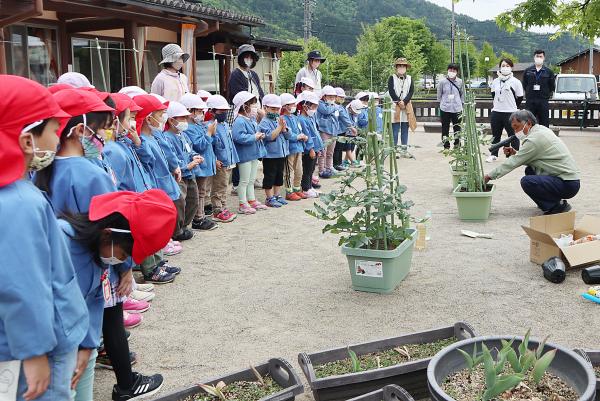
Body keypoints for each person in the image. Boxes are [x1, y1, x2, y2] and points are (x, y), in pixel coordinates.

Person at [0, 74, 88, 401]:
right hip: (42, 344)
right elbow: (22, 284)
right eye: (53, 130)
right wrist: (34, 352)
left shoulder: (15, 192)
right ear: (26, 141)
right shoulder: (19, 202)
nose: (57, 138)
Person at [60, 189, 176, 401]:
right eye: (124, 255)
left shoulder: (99, 257)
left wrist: (87, 345)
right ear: (107, 234)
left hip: (77, 348)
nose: (121, 260)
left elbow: (96, 304)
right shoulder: (58, 241)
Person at [485, 110, 580, 215]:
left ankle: (557, 206)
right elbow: (533, 158)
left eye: (517, 127)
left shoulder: (534, 140)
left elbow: (512, 163)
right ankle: (548, 202)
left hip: (567, 184)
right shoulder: (541, 130)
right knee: (530, 170)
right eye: (513, 128)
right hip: (568, 180)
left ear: (529, 123)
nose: (516, 131)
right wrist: (515, 153)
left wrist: (488, 176)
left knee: (527, 181)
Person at [132, 94, 181, 284]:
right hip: (152, 188)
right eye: (159, 114)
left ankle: (158, 262)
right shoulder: (141, 139)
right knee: (150, 229)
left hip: (159, 186)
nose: (162, 119)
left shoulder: (153, 136)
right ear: (148, 117)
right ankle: (151, 268)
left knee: (158, 228)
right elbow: (148, 161)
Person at [179, 93, 219, 231]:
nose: (202, 114)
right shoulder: (189, 128)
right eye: (199, 111)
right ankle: (198, 218)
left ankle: (200, 216)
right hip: (200, 166)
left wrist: (211, 134)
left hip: (206, 163)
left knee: (203, 192)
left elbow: (209, 143)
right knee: (200, 193)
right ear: (190, 111)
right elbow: (200, 146)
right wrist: (209, 133)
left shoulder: (199, 125)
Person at [164, 101, 202, 239]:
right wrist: (187, 166)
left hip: (190, 173)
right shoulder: (167, 137)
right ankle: (177, 231)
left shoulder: (183, 135)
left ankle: (184, 226)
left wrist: (195, 156)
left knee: (194, 200)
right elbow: (171, 158)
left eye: (186, 117)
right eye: (182, 118)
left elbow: (189, 150)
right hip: (179, 175)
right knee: (180, 202)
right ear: (171, 120)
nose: (185, 121)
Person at [231, 91, 268, 214]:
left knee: (251, 179)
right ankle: (242, 203)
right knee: (244, 180)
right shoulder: (239, 121)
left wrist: (259, 135)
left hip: (253, 154)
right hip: (244, 155)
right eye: (251, 105)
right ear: (244, 106)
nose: (254, 108)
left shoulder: (251, 120)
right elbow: (238, 137)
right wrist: (254, 137)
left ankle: (251, 200)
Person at [207, 94, 239, 222]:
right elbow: (210, 145)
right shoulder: (210, 126)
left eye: (225, 111)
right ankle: (217, 210)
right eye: (221, 111)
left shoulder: (225, 125)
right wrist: (214, 159)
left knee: (224, 186)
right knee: (218, 188)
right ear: (212, 111)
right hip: (220, 163)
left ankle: (223, 208)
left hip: (228, 161)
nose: (224, 113)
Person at [487, 58, 524, 163]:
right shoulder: (495, 81)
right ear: (500, 67)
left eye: (507, 66)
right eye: (503, 66)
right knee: (495, 135)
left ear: (511, 67)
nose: (505, 68)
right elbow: (493, 95)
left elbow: (520, 97)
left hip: (511, 113)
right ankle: (494, 155)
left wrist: (512, 107)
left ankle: (514, 155)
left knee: (513, 135)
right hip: (497, 112)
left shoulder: (516, 82)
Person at [259, 94, 290, 207]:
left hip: (281, 153)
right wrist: (279, 128)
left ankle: (277, 195)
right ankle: (269, 197)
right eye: (273, 109)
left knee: (279, 175)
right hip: (270, 155)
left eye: (278, 109)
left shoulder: (279, 119)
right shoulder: (264, 122)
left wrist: (285, 129)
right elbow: (270, 137)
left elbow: (288, 135)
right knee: (269, 176)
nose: (276, 111)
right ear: (265, 108)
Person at [280, 93, 309, 200]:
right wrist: (297, 137)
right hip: (289, 149)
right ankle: (289, 191)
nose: (294, 106)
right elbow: (287, 134)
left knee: (299, 170)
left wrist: (303, 137)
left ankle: (297, 188)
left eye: (294, 104)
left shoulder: (295, 118)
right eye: (291, 104)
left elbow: (299, 130)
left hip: (299, 148)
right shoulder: (282, 118)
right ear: (285, 106)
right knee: (288, 171)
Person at [297, 91, 323, 198]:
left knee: (311, 169)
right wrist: (311, 149)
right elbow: (307, 135)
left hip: (314, 148)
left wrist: (319, 148)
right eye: (313, 106)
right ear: (305, 106)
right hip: (308, 150)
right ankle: (305, 188)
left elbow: (315, 133)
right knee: (307, 169)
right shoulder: (302, 119)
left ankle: (310, 187)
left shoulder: (310, 118)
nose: (314, 109)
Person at [522, 49, 555, 128]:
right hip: (530, 101)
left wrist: (545, 94)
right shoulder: (527, 71)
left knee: (544, 122)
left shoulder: (549, 72)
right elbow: (524, 84)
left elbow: (552, 86)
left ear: (544, 58)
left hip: (543, 101)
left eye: (541, 56)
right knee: (529, 122)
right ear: (534, 57)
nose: (539, 58)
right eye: (537, 56)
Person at [387, 58, 415, 146]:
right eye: (400, 66)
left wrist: (405, 102)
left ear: (406, 67)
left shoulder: (410, 78)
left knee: (405, 129)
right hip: (395, 106)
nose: (402, 67)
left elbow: (411, 91)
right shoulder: (392, 78)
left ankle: (404, 149)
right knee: (395, 130)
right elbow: (391, 91)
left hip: (406, 106)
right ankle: (394, 149)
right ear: (396, 67)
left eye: (403, 66)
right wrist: (399, 102)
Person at [437, 63, 464, 149]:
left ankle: (457, 144)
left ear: (457, 72)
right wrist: (444, 103)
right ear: (447, 70)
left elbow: (463, 95)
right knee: (445, 128)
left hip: (457, 108)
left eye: (454, 70)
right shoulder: (442, 82)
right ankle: (446, 145)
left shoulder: (460, 82)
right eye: (450, 70)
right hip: (445, 108)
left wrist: (461, 104)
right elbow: (439, 95)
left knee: (457, 128)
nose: (452, 72)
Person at [316, 85, 339, 178]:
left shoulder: (333, 105)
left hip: (333, 131)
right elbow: (326, 110)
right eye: (330, 97)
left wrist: (333, 106)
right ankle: (322, 170)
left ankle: (329, 168)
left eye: (333, 97)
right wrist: (334, 107)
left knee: (330, 152)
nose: (332, 99)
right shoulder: (320, 104)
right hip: (324, 130)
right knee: (323, 152)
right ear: (324, 96)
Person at [332, 87, 356, 170]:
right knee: (337, 149)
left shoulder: (341, 107)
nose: (342, 99)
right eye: (340, 97)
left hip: (342, 130)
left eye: (343, 97)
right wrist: (350, 127)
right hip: (337, 131)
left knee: (340, 148)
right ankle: (336, 165)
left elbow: (345, 118)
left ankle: (339, 163)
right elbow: (344, 118)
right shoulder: (335, 107)